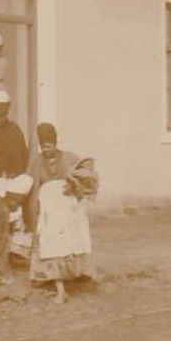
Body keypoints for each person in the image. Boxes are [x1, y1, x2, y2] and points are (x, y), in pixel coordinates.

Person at [27, 123, 100, 304]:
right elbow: (31, 186)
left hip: (68, 209)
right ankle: (60, 289)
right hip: (49, 211)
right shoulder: (36, 162)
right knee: (52, 245)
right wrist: (33, 210)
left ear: (56, 143)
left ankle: (78, 277)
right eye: (43, 146)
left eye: (50, 146)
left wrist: (73, 187)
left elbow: (86, 174)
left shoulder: (69, 158)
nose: (47, 150)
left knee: (73, 242)